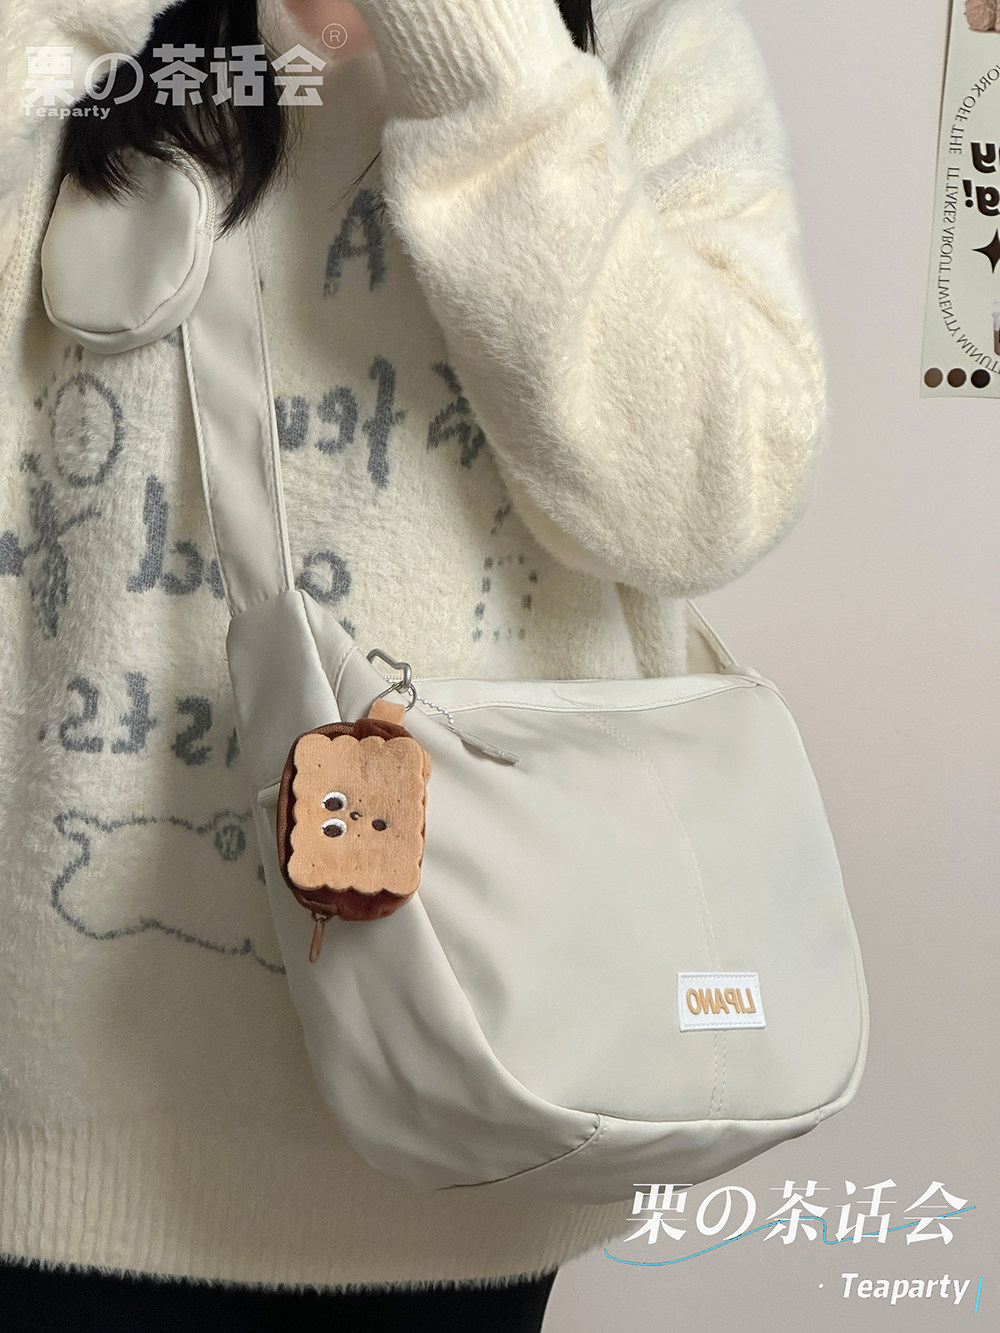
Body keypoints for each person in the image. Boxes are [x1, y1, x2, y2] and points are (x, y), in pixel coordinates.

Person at [0, 0, 829, 1327]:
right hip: (63, 1119)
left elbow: (707, 499)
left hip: (484, 1100)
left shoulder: (645, 34)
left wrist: (475, 47)